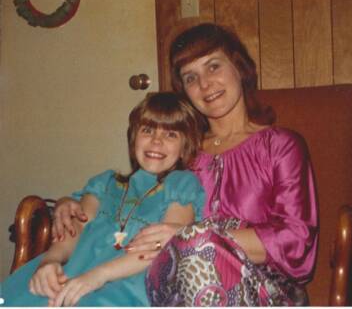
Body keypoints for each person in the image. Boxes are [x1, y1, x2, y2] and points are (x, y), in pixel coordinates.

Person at [50, 23, 318, 306]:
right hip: (172, 283)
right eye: (191, 77)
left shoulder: (280, 146)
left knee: (192, 250)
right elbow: (130, 197)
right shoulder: (182, 154)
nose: (204, 84)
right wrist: (70, 203)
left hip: (263, 287)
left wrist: (193, 238)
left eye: (213, 66)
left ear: (239, 68)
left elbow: (295, 239)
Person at [1, 92, 205, 307]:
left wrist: (99, 276)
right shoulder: (105, 183)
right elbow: (74, 229)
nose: (156, 140)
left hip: (127, 283)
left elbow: (164, 246)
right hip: (76, 271)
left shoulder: (181, 185)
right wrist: (50, 261)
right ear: (133, 137)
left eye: (171, 134)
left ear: (185, 147)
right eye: (147, 130)